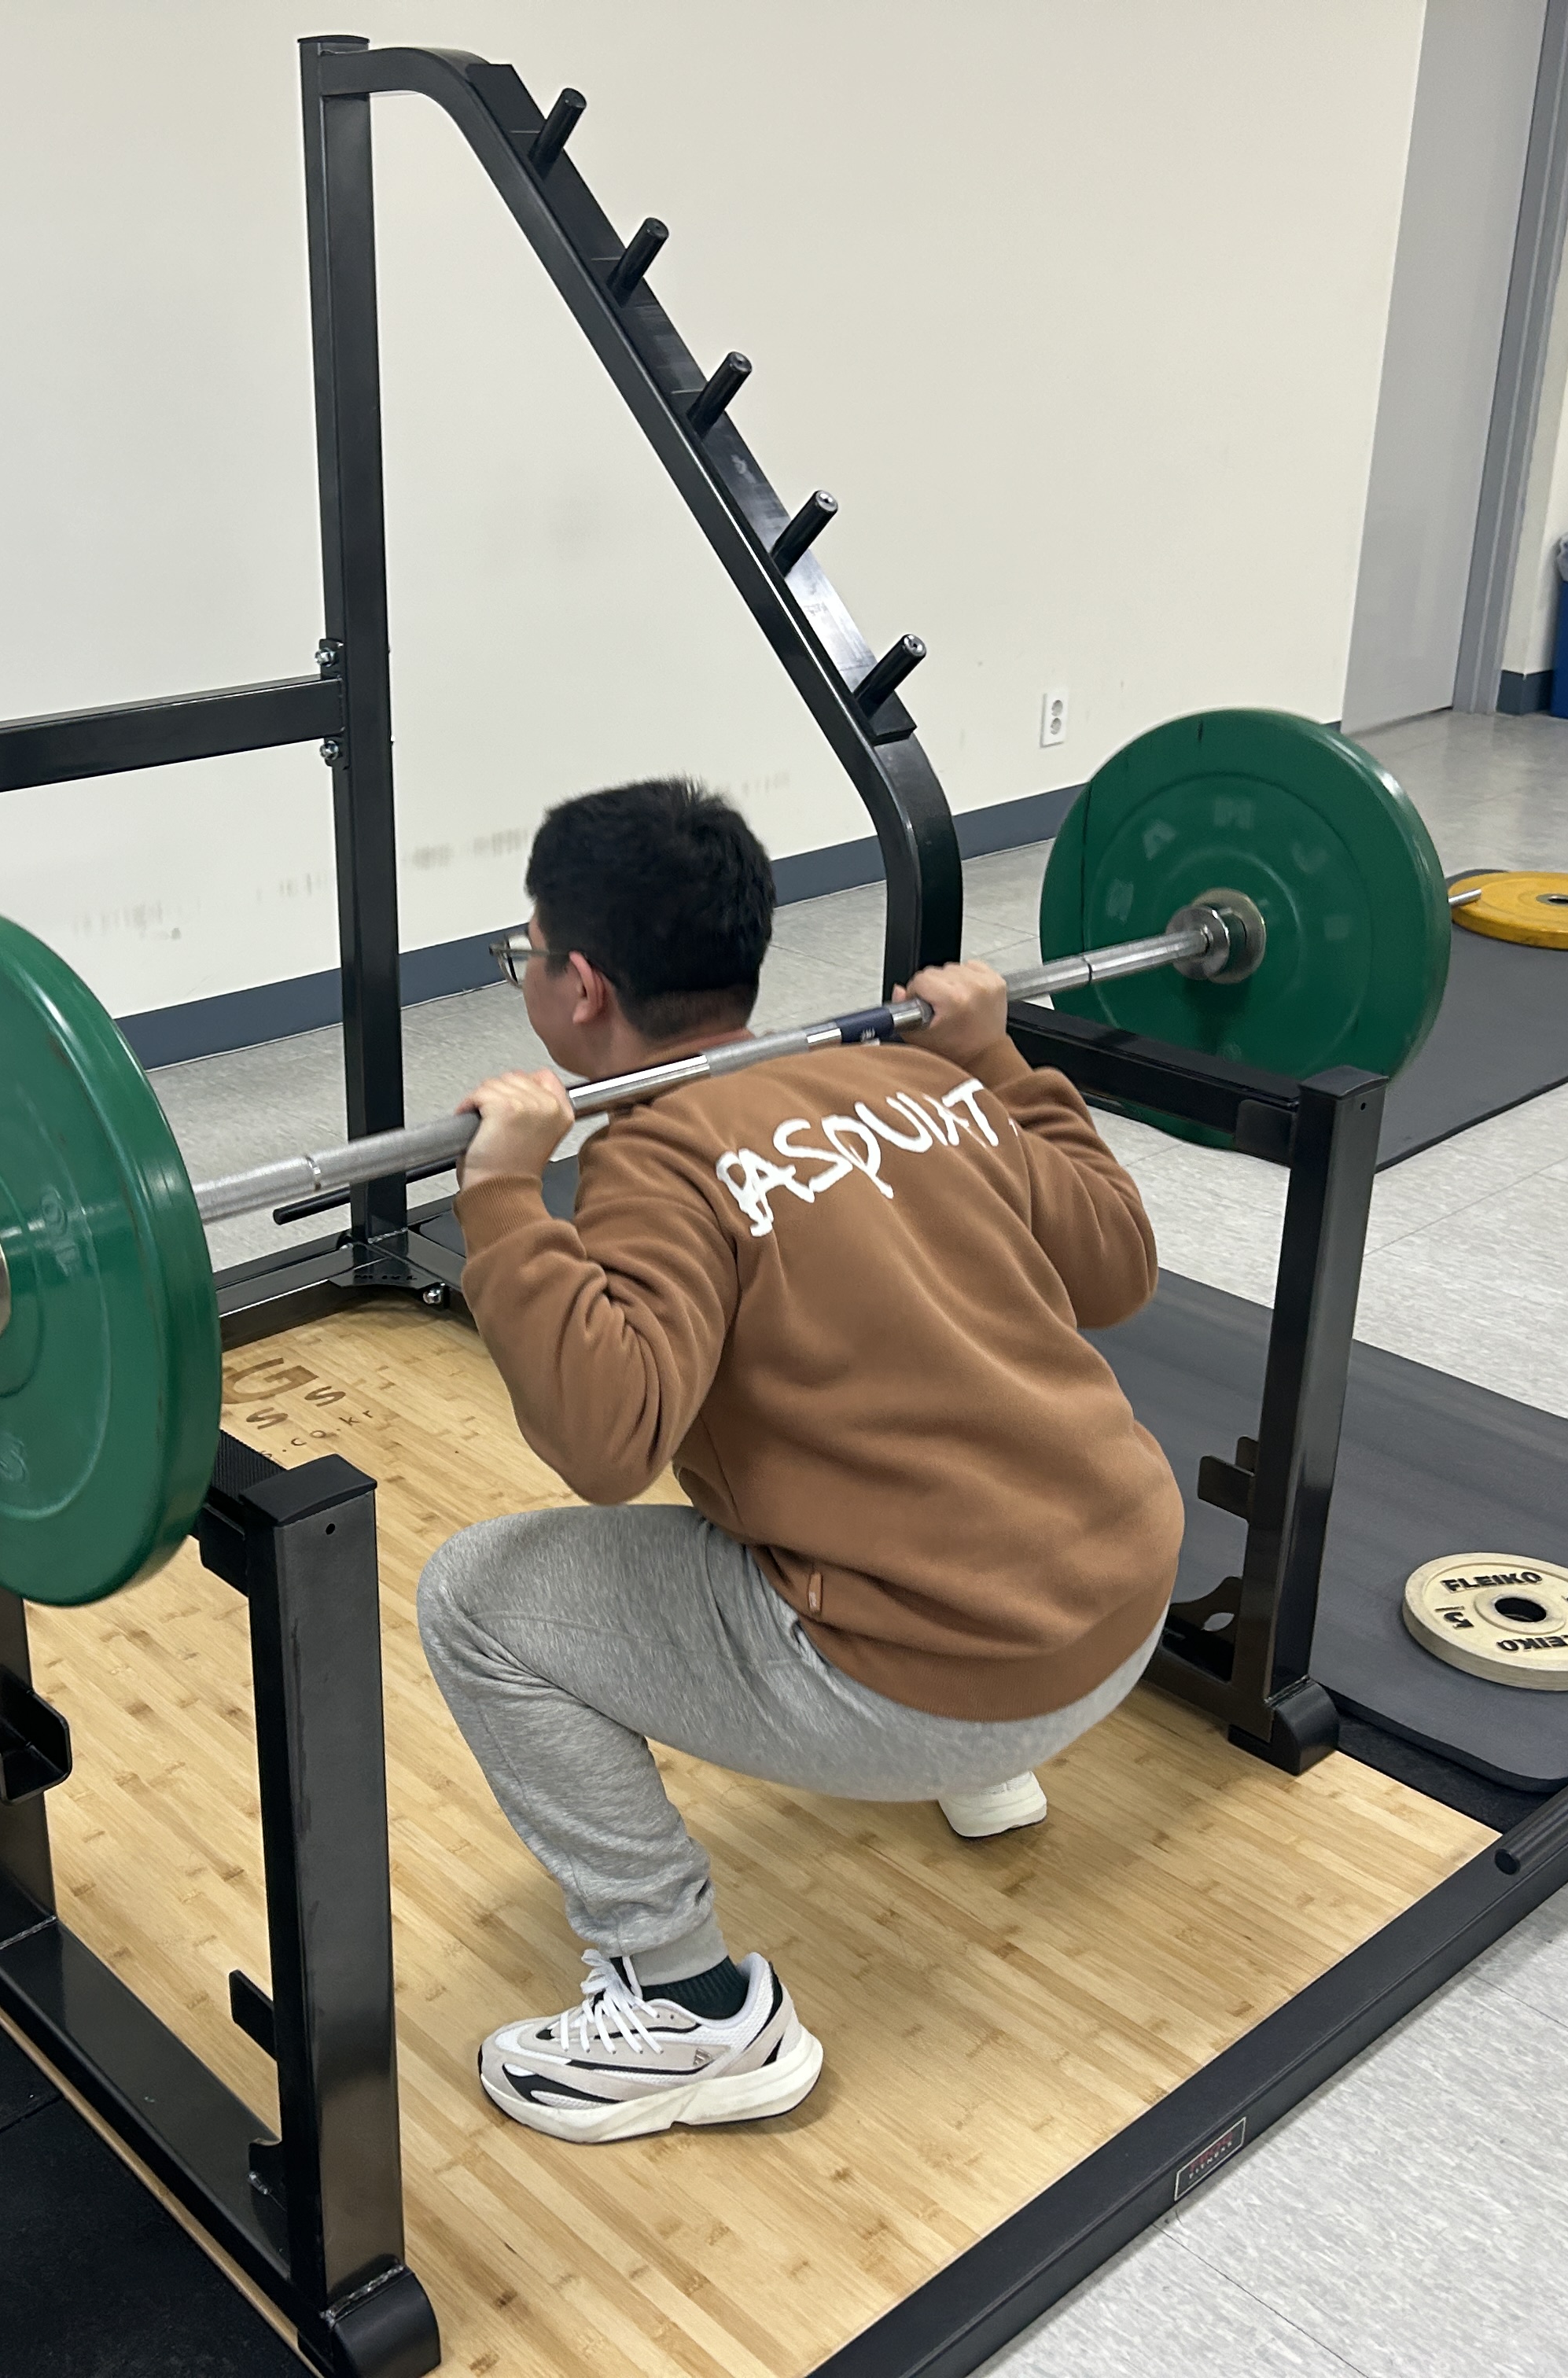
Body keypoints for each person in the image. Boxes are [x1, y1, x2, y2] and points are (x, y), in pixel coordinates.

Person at [419, 777, 1184, 2146]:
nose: (526, 969)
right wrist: (999, 1059)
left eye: (524, 949)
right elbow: (1119, 1266)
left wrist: (502, 1196)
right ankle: (985, 1775)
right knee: (877, 1398)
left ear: (581, 988)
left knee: (475, 1598)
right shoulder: (920, 1079)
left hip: (948, 1678)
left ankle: (687, 2008)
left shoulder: (658, 1157)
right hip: (1123, 1608)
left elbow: (607, 1440)